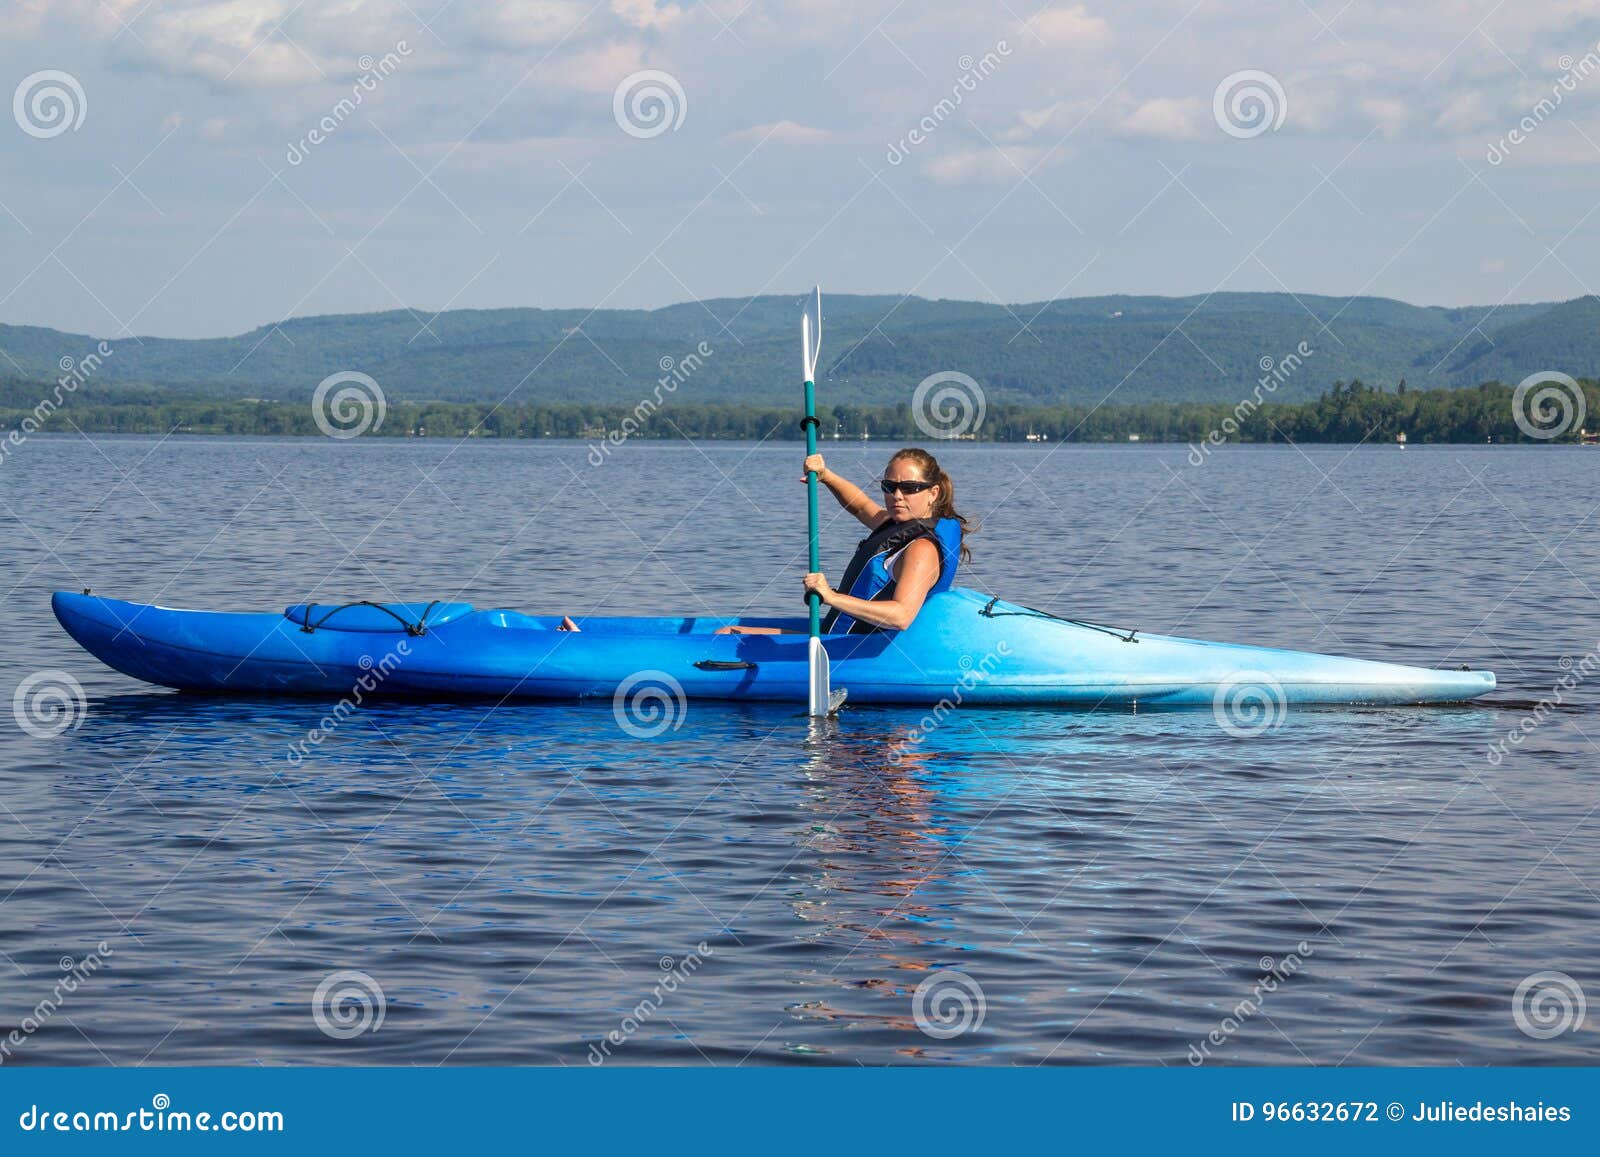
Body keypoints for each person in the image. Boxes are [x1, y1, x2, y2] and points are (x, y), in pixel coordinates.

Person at [716, 447, 971, 636]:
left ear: (933, 493)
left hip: (856, 651)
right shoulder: (898, 525)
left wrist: (830, 597)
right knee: (728, 632)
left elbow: (901, 616)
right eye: (889, 486)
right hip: (839, 637)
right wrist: (825, 475)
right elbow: (860, 507)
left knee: (726, 636)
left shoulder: (921, 549)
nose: (896, 495)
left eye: (909, 488)